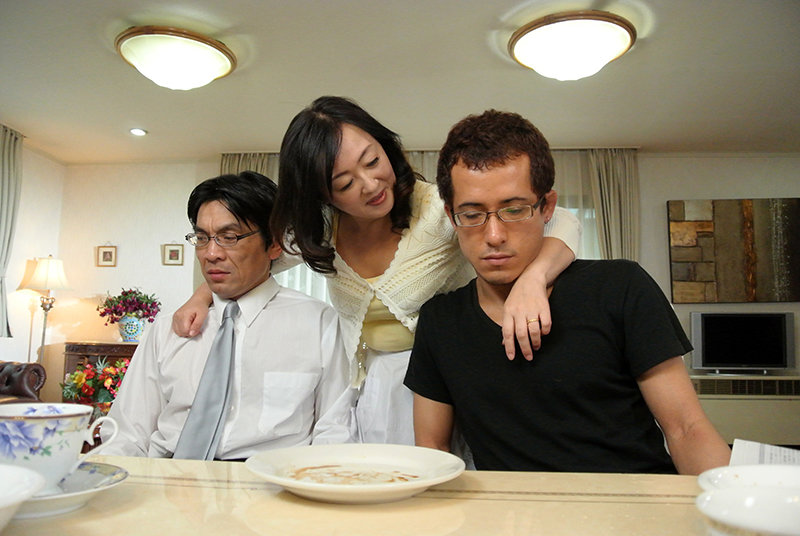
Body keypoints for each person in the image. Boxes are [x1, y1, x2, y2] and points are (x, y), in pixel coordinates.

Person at [173, 96, 582, 445]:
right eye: (344, 183)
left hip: (447, 385)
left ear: (385, 146)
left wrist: (534, 279)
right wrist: (202, 295)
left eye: (372, 161)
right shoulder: (321, 231)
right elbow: (252, 258)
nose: (370, 185)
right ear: (322, 194)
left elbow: (563, 221)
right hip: (369, 390)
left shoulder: (436, 211)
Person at [404, 109, 731, 475]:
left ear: (547, 207)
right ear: (452, 216)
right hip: (513, 509)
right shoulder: (441, 320)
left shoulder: (619, 287)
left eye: (515, 210)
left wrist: (727, 505)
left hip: (636, 504)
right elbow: (433, 448)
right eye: (472, 214)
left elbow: (686, 429)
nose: (494, 236)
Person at [104, 171, 354, 459]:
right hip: (168, 471)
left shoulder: (318, 324)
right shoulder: (167, 330)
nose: (211, 254)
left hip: (268, 476)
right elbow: (127, 433)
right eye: (202, 238)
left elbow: (335, 432)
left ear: (274, 243)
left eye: (229, 237)